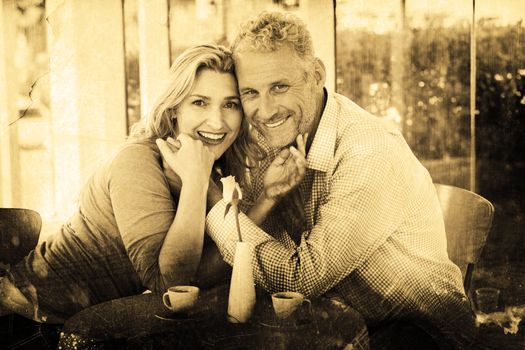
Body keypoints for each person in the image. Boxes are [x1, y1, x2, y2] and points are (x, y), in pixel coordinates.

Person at [201, 11, 477, 349]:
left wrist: (216, 202)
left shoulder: (367, 150)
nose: (266, 110)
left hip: (420, 332)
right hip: (338, 320)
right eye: (251, 93)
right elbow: (262, 241)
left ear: (316, 75)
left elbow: (300, 279)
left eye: (280, 86)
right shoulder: (276, 132)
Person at [0, 44, 255, 326]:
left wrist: (266, 197)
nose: (217, 121)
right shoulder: (137, 160)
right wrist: (197, 182)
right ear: (174, 111)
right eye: (200, 102)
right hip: (29, 317)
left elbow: (201, 270)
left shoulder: (212, 167)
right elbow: (171, 284)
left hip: (88, 323)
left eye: (230, 104)